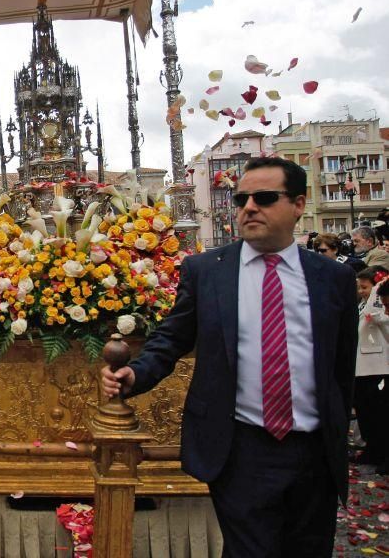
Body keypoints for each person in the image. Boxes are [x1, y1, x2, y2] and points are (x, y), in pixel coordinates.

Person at [101, 157, 358, 557]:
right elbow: (172, 338)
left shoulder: (332, 278)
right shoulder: (208, 271)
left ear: (299, 204)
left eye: (265, 197)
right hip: (241, 449)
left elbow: (341, 365)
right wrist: (135, 375)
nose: (249, 207)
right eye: (242, 199)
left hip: (314, 452)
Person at [354, 267, 389, 475]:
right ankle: (373, 449)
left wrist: (377, 288)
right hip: (362, 364)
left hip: (377, 362)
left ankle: (382, 451)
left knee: (378, 413)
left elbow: (376, 316)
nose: (361, 291)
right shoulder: (362, 302)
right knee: (365, 412)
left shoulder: (378, 300)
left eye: (365, 287)